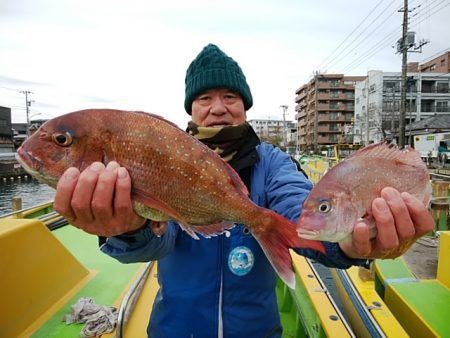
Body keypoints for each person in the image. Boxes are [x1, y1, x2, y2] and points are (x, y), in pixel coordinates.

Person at [54, 44, 434, 337]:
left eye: (230, 98)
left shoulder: (272, 163)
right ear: (191, 108)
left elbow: (298, 207)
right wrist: (127, 228)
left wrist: (347, 243)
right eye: (205, 99)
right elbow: (160, 241)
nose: (218, 108)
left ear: (245, 106)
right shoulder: (164, 161)